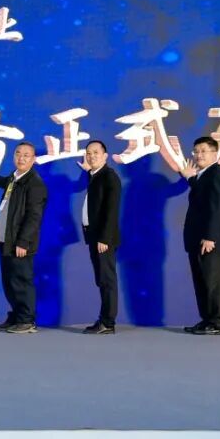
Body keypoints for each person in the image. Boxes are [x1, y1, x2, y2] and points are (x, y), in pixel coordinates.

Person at [0, 142, 47, 333]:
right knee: (9, 281)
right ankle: (16, 316)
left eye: (26, 155)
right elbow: (2, 181)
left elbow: (34, 217)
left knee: (21, 281)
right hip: (7, 239)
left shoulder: (34, 183)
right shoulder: (14, 179)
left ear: (33, 159)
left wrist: (23, 241)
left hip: (19, 243)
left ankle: (27, 320)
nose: (21, 158)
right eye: (18, 154)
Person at [180, 136, 220, 335]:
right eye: (196, 151)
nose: (199, 155)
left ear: (214, 153)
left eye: (203, 151)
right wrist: (189, 178)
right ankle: (207, 320)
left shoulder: (216, 174)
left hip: (210, 241)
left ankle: (217, 323)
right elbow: (202, 195)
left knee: (212, 283)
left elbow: (217, 208)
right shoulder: (204, 176)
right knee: (202, 283)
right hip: (197, 239)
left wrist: (211, 237)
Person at [78, 139, 122, 334]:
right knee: (102, 279)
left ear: (105, 156)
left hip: (104, 239)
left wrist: (105, 238)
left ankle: (107, 322)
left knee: (107, 280)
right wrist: (88, 171)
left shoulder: (109, 177)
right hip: (95, 237)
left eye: (96, 152)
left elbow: (111, 211)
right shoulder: (96, 175)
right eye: (88, 153)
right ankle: (104, 320)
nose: (91, 156)